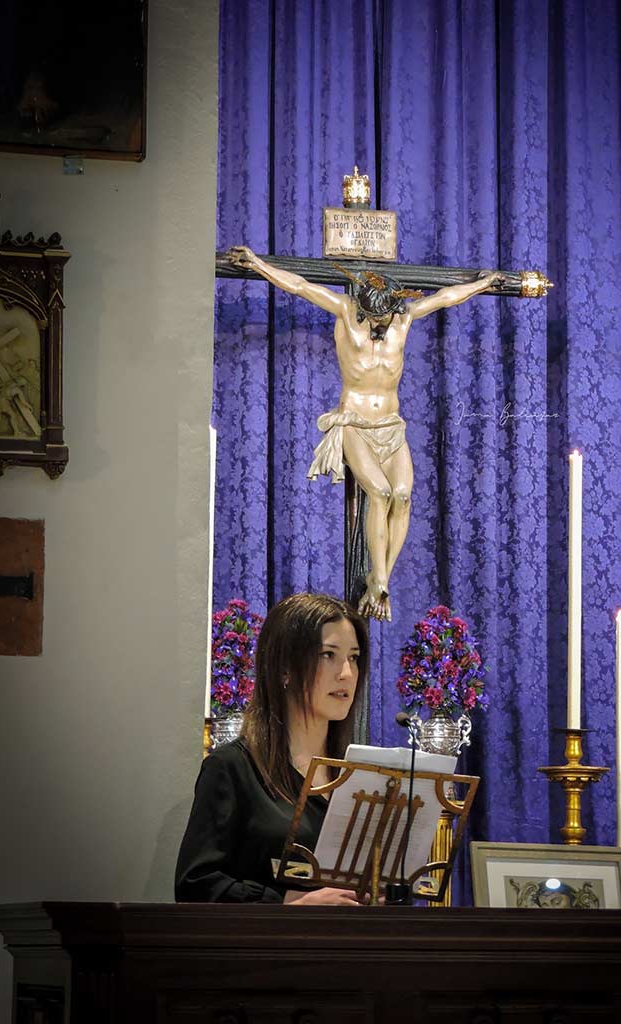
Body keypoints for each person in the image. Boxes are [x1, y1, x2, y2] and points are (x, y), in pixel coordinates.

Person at [227, 245, 504, 622]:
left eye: (385, 319)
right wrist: (257, 264)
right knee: (381, 492)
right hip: (354, 423)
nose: (380, 326)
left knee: (403, 497)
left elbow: (445, 297)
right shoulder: (344, 310)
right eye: (374, 319)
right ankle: (380, 580)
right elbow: (298, 285)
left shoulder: (403, 318)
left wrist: (484, 284)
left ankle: (380, 579)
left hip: (392, 425)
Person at [175, 592, 369, 905]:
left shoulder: (360, 778)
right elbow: (196, 885)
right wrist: (288, 903)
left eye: (354, 658)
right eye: (328, 655)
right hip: (267, 950)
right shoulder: (233, 768)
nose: (346, 673)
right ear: (284, 670)